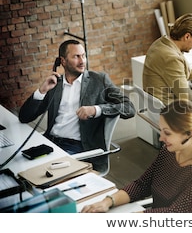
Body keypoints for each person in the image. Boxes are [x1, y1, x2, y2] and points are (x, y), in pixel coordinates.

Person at [81, 99, 192, 213]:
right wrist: (107, 202)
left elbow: (174, 214)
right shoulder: (169, 151)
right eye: (161, 131)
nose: (161, 138)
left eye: (167, 133)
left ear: (189, 134)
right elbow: (141, 185)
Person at [18, 40, 135, 172]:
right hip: (49, 142)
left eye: (83, 55)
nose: (82, 61)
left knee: (44, 174)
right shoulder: (55, 84)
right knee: (19, 167)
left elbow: (129, 108)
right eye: (76, 56)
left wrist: (96, 110)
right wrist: (42, 91)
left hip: (77, 147)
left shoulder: (99, 81)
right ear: (62, 61)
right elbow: (24, 117)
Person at [142, 13, 192, 108]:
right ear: (187, 36)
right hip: (173, 114)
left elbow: (174, 73)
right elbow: (189, 99)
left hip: (157, 110)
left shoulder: (159, 44)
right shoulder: (172, 58)